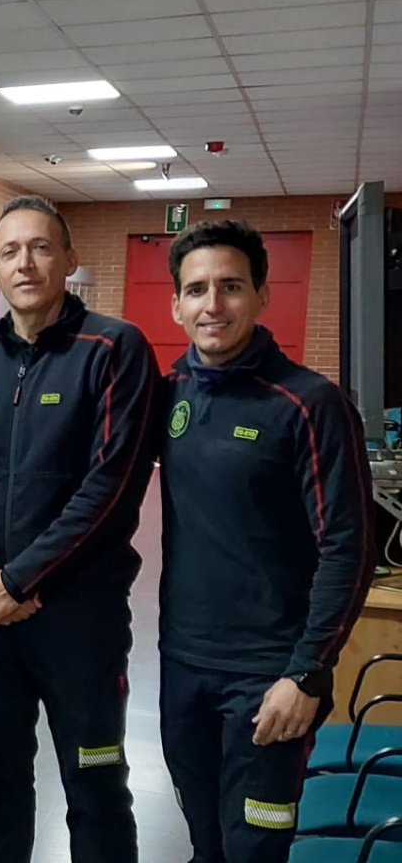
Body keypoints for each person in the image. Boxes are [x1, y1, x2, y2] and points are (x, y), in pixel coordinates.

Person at [0, 195, 159, 863]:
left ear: (69, 259)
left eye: (41, 247)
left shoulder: (113, 349)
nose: (25, 263)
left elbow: (110, 487)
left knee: (96, 783)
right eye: (10, 252)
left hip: (79, 619)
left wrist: (19, 580)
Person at [157, 220, 372, 863]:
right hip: (183, 664)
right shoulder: (169, 394)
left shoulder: (310, 404)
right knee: (205, 839)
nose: (213, 304)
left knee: (254, 847)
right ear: (176, 304)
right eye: (196, 290)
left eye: (230, 286)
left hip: (271, 675)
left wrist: (307, 671)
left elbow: (349, 547)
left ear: (261, 295)